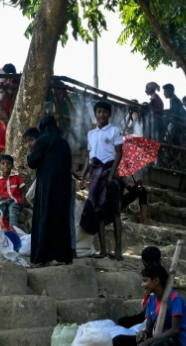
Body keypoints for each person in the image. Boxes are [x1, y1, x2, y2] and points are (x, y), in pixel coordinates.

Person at [79, 101, 124, 260]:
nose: (102, 115)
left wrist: (112, 174)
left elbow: (119, 153)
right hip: (94, 175)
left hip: (109, 173)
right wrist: (83, 177)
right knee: (97, 211)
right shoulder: (91, 134)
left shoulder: (115, 131)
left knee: (115, 212)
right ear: (95, 114)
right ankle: (103, 250)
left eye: (105, 112)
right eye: (99, 112)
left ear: (109, 114)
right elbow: (89, 158)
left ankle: (118, 250)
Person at [27, 117, 73, 266]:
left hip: (46, 188)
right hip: (63, 190)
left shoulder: (42, 141)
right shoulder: (64, 144)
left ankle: (42, 256)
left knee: (44, 218)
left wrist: (30, 152)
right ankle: (61, 256)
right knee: (60, 220)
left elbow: (32, 162)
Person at [117, 246, 161, 329]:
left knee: (122, 322)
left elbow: (150, 303)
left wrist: (142, 315)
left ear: (145, 262)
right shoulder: (160, 274)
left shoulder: (153, 277)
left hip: (150, 315)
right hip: (150, 313)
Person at [0, 154, 25, 228]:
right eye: (3, 163)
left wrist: (22, 205)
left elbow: (23, 191)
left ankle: (12, 234)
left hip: (14, 201)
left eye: (8, 163)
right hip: (2, 202)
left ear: (12, 166)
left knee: (13, 214)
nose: (6, 165)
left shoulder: (17, 176)